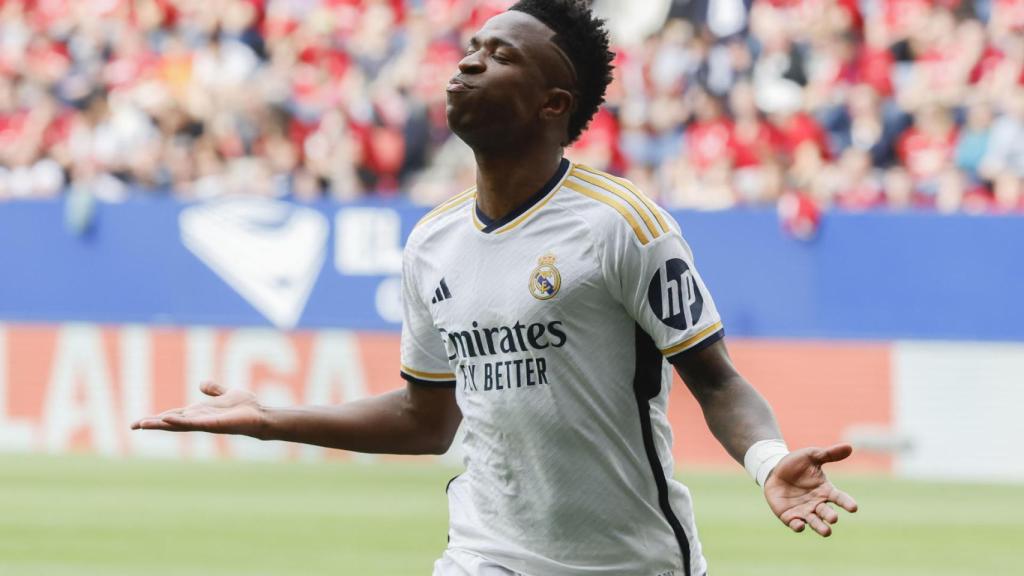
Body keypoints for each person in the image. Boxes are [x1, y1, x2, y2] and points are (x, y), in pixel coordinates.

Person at [132, 2, 858, 575]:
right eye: (473, 49)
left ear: (553, 104)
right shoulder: (431, 244)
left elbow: (717, 380)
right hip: (486, 554)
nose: (471, 64)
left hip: (628, 563)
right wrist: (271, 418)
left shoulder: (623, 225)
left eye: (502, 56)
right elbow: (428, 417)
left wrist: (767, 461)